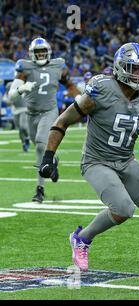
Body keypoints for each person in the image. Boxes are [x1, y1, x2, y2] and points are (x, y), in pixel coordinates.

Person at [38, 43, 139, 273]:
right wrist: (48, 156)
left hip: (126, 161)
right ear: (121, 67)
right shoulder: (100, 90)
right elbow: (62, 122)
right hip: (96, 161)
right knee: (123, 208)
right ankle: (82, 238)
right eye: (136, 68)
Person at [8, 37, 80, 203]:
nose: (40, 55)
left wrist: (79, 98)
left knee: (41, 144)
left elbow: (69, 85)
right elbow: (11, 96)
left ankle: (39, 189)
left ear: (48, 52)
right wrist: (21, 88)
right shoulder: (24, 66)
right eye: (37, 52)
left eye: (43, 51)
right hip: (31, 113)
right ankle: (52, 161)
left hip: (49, 111)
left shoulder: (58, 65)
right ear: (32, 53)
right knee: (38, 147)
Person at [3, 81, 30, 151]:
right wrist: (10, 100)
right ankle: (24, 143)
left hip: (24, 109)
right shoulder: (8, 91)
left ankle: (27, 137)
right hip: (15, 110)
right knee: (20, 129)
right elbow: (7, 101)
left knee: (23, 126)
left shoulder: (21, 89)